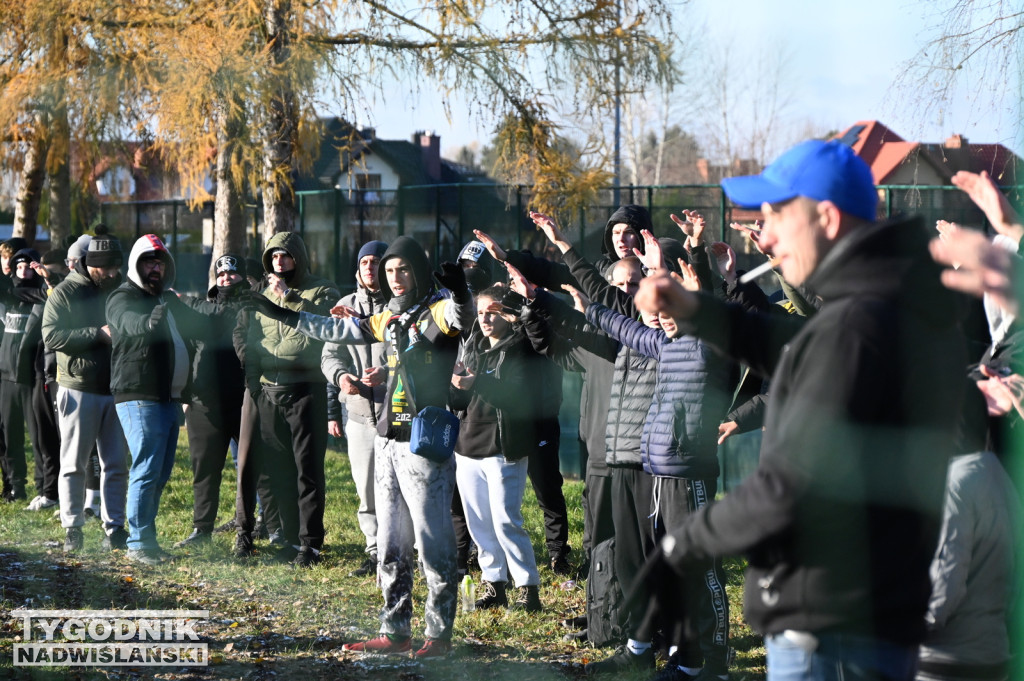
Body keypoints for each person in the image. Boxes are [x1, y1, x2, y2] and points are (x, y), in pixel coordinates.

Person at [632, 139, 968, 680]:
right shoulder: (894, 301)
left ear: (827, 219)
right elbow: (802, 346)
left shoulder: (858, 326)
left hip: (830, 624)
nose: (763, 236)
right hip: (878, 603)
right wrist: (697, 310)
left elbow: (788, 488)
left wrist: (681, 544)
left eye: (775, 217)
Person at [264, 236, 473, 657]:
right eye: (389, 270)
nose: (395, 278)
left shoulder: (434, 310)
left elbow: (459, 317)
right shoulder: (389, 317)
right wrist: (275, 310)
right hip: (387, 437)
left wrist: (462, 292)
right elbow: (335, 329)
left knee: (432, 543)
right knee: (390, 543)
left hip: (424, 441)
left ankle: (439, 636)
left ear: (418, 270)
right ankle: (396, 631)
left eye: (404, 269)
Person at [106, 234, 230, 565]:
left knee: (158, 473)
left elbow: (203, 320)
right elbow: (124, 322)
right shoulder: (123, 296)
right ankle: (138, 543)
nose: (155, 268)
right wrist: (145, 322)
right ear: (135, 264)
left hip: (168, 400)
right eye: (149, 261)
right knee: (146, 469)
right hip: (138, 397)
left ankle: (146, 538)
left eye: (160, 262)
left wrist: (232, 305)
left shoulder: (166, 299)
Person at [243, 232, 339, 567]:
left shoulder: (322, 289)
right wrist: (255, 382)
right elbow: (251, 338)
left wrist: (291, 297)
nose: (278, 263)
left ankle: (310, 543)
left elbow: (325, 329)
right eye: (273, 257)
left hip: (305, 390)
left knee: (307, 471)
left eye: (285, 256)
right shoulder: (262, 294)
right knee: (277, 469)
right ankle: (285, 536)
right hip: (269, 390)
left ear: (298, 257)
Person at [449, 284, 543, 612]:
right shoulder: (471, 345)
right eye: (481, 312)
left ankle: (527, 588)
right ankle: (494, 584)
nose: (486, 318)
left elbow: (516, 396)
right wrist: (457, 386)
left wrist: (479, 382)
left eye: (493, 311)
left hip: (504, 447)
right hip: (467, 444)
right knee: (478, 522)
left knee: (506, 520)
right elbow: (458, 399)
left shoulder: (521, 348)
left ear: (506, 313)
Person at [43, 231, 130, 552]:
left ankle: (115, 528)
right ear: (91, 264)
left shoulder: (120, 290)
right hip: (78, 388)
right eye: (106, 267)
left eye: (115, 267)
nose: (111, 273)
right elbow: (51, 336)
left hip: (117, 389)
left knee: (116, 464)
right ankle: (72, 526)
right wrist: (96, 334)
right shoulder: (64, 293)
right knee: (74, 463)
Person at [321, 239, 388, 576]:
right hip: (359, 415)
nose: (370, 268)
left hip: (399, 415)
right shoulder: (345, 305)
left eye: (377, 262)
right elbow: (330, 355)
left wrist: (388, 372)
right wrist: (342, 376)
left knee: (405, 489)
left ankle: (408, 551)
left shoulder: (401, 306)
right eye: (365, 262)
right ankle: (375, 551)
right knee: (366, 489)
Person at [175, 254, 251, 547]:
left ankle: (250, 528)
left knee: (250, 469)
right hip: (203, 402)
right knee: (204, 469)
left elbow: (224, 315)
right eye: (221, 275)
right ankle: (201, 529)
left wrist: (181, 299)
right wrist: (185, 396)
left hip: (244, 400)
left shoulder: (250, 306)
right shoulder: (202, 311)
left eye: (232, 274)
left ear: (243, 277)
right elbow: (189, 352)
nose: (226, 279)